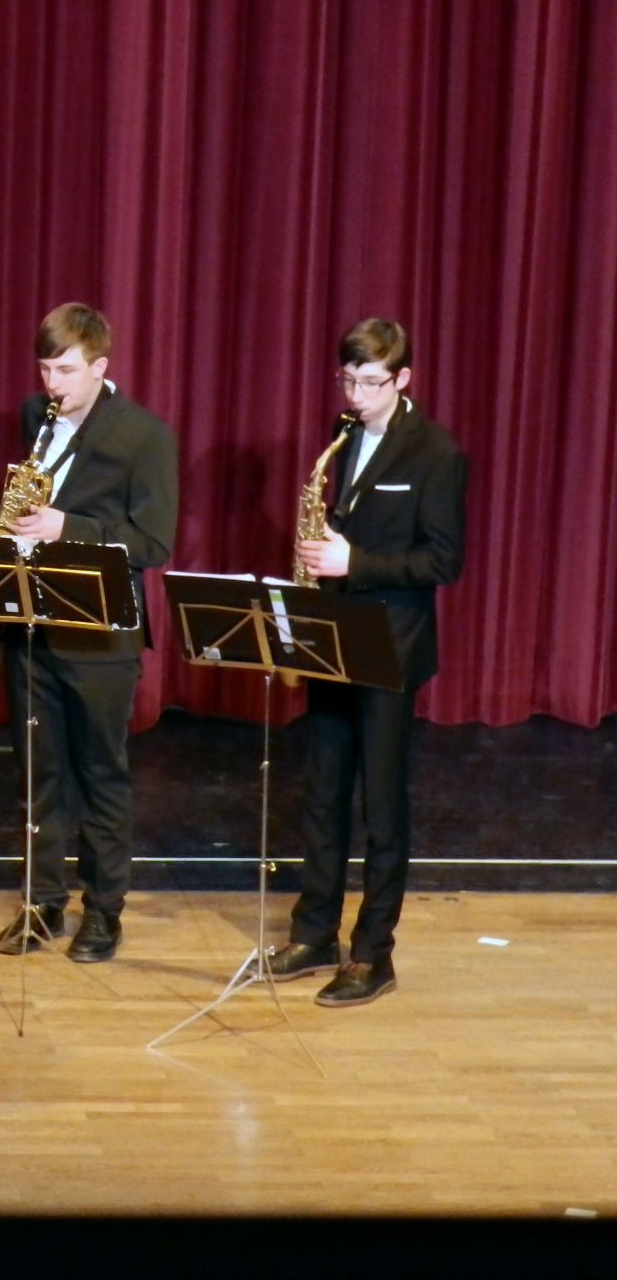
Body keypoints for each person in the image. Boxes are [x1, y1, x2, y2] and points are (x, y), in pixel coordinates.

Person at [273, 318, 466, 1007]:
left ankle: (373, 953)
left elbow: (442, 560)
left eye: (371, 383)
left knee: (381, 807)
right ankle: (315, 933)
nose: (355, 396)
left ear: (403, 378)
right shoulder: (345, 431)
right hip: (336, 635)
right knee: (323, 797)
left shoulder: (435, 453)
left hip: (391, 645)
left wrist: (353, 560)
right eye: (348, 381)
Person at [0, 303, 178, 964]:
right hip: (31, 623)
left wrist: (66, 527)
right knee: (37, 771)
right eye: (45, 368)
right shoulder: (34, 415)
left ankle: (103, 910)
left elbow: (152, 542)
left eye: (66, 370)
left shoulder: (144, 436)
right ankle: (42, 902)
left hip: (100, 633)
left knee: (101, 773)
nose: (52, 384)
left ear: (100, 366)